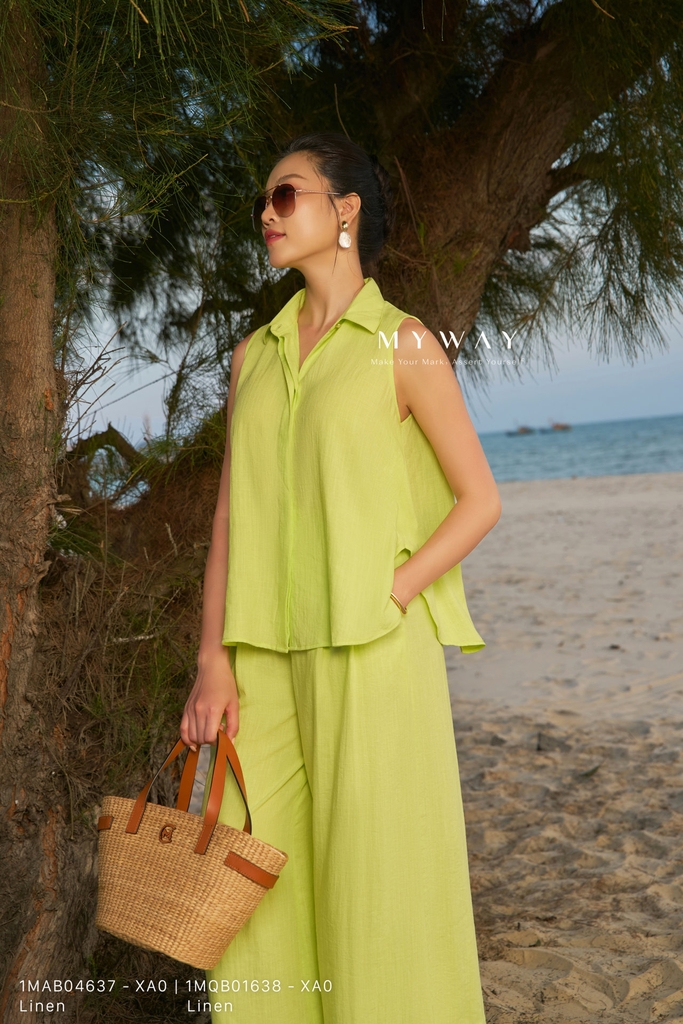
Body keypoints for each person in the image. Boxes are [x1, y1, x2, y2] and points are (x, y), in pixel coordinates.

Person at [180, 131, 501, 1024]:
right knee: (252, 889)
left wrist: (394, 590)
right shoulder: (253, 355)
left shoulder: (403, 343)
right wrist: (211, 660)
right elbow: (230, 517)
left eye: (285, 195)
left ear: (345, 209)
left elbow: (478, 500)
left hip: (372, 653)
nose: (267, 213)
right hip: (259, 662)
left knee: (377, 888)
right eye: (263, 201)